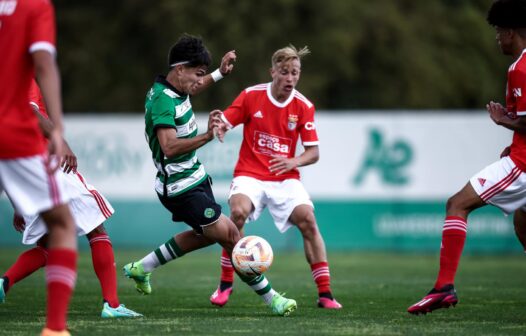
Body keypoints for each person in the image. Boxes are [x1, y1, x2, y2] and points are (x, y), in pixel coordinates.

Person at [122, 34, 297, 316]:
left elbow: (195, 85)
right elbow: (168, 147)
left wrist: (219, 73)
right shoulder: (163, 101)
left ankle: (143, 267)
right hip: (179, 188)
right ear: (180, 69)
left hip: (195, 177)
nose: (198, 81)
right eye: (197, 74)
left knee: (205, 235)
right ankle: (273, 299)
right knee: (231, 236)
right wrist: (207, 136)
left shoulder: (176, 87)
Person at [408, 0, 526, 315]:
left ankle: (443, 288)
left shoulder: (521, 68)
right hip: (519, 156)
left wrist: (503, 121)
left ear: (511, 32)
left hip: (523, 166)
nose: (497, 38)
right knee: (522, 222)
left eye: (499, 31)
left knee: (457, 204)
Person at [210, 45, 342, 309]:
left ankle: (326, 294)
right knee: (237, 214)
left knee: (308, 221)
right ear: (273, 72)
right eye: (285, 72)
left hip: (285, 177)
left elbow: (313, 152)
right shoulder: (251, 96)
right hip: (250, 173)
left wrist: (294, 160)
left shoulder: (304, 106)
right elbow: (227, 118)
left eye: (295, 73)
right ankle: (225, 284)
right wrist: (220, 125)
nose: (291, 78)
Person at [0, 80, 142, 319]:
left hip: (24, 172)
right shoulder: (19, 77)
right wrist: (61, 142)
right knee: (97, 230)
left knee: (48, 245)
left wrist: (18, 203)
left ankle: (5, 282)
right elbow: (32, 113)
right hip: (48, 163)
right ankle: (112, 305)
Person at [0, 1, 78, 335]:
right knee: (61, 224)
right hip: (11, 130)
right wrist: (58, 129)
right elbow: (44, 64)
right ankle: (55, 329)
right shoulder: (34, 6)